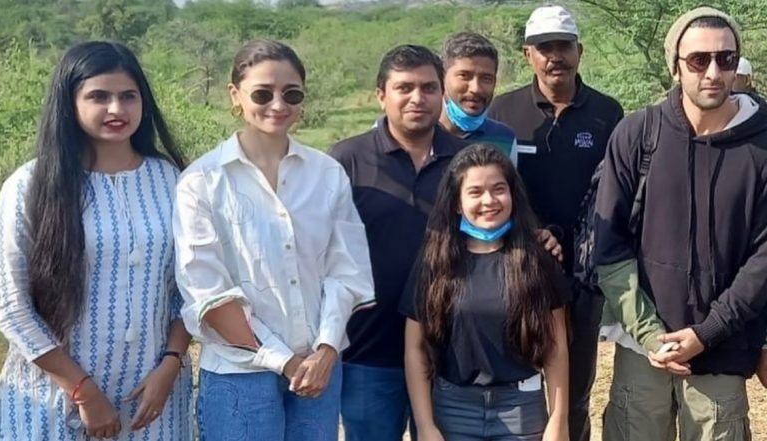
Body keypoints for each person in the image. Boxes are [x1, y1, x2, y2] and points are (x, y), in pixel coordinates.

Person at [173, 39, 374, 441]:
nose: (278, 104)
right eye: (263, 93)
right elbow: (207, 289)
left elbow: (346, 270)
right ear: (235, 94)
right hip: (240, 373)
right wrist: (284, 361)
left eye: (292, 93)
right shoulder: (203, 181)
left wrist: (326, 350)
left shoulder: (327, 173)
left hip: (318, 371)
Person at [0, 40, 192, 440]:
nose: (116, 109)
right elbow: (12, 306)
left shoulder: (172, 182)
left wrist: (171, 364)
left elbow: (188, 289)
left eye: (128, 97)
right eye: (99, 96)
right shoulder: (31, 185)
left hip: (152, 403)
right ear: (70, 102)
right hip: (50, 401)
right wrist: (81, 390)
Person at [595, 7, 767, 440]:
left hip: (722, 352)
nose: (713, 72)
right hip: (642, 350)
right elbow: (609, 244)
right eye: (698, 60)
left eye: (725, 59)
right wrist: (653, 336)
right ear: (675, 66)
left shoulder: (761, 147)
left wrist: (708, 333)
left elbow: (764, 259)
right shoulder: (638, 133)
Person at [488, 6, 623, 441]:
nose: (554, 57)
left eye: (563, 46)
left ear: (579, 51)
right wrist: (529, 234)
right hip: (518, 269)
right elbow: (487, 187)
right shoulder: (503, 112)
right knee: (520, 385)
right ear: (528, 54)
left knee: (575, 391)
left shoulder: (607, 113)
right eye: (544, 48)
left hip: (583, 277)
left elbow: (617, 191)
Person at [329, 44, 468, 441]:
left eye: (428, 88)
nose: (417, 99)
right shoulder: (346, 160)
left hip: (450, 353)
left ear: (442, 94)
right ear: (381, 95)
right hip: (366, 353)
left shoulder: (469, 161)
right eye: (404, 88)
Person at [401, 143, 569, 441]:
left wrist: (558, 421)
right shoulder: (435, 262)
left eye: (498, 189)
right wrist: (426, 425)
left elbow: (556, 347)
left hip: (522, 407)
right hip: (453, 408)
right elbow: (415, 348)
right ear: (457, 202)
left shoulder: (538, 259)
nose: (489, 200)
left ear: (512, 195)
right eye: (475, 192)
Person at [438, 32, 518, 163]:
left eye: (486, 79)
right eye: (464, 76)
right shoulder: (421, 135)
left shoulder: (505, 138)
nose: (476, 89)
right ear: (441, 77)